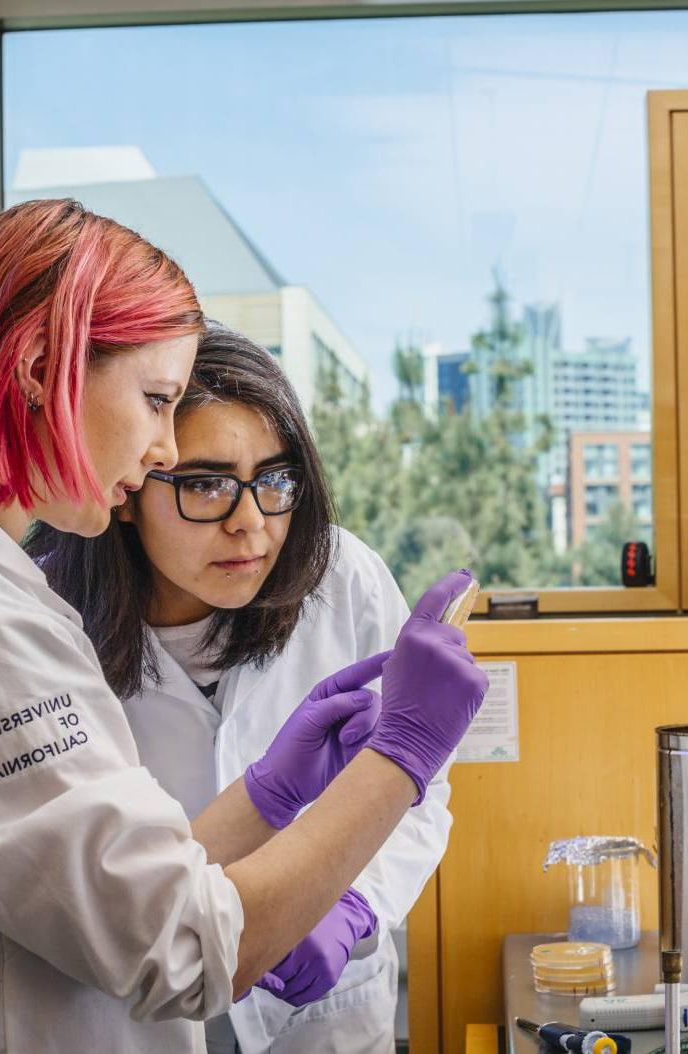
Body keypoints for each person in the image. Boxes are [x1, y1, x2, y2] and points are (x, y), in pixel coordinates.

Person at [0, 199, 488, 1054]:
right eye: (156, 400)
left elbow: (101, 884)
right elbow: (187, 951)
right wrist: (399, 758)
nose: (161, 448)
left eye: (271, 481)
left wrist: (266, 798)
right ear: (42, 369)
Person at [30, 324, 448, 1053]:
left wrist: (356, 906)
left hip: (321, 1024)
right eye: (206, 484)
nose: (250, 522)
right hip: (132, 1021)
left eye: (275, 479)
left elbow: (418, 796)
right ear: (131, 485)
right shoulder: (43, 619)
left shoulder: (341, 578)